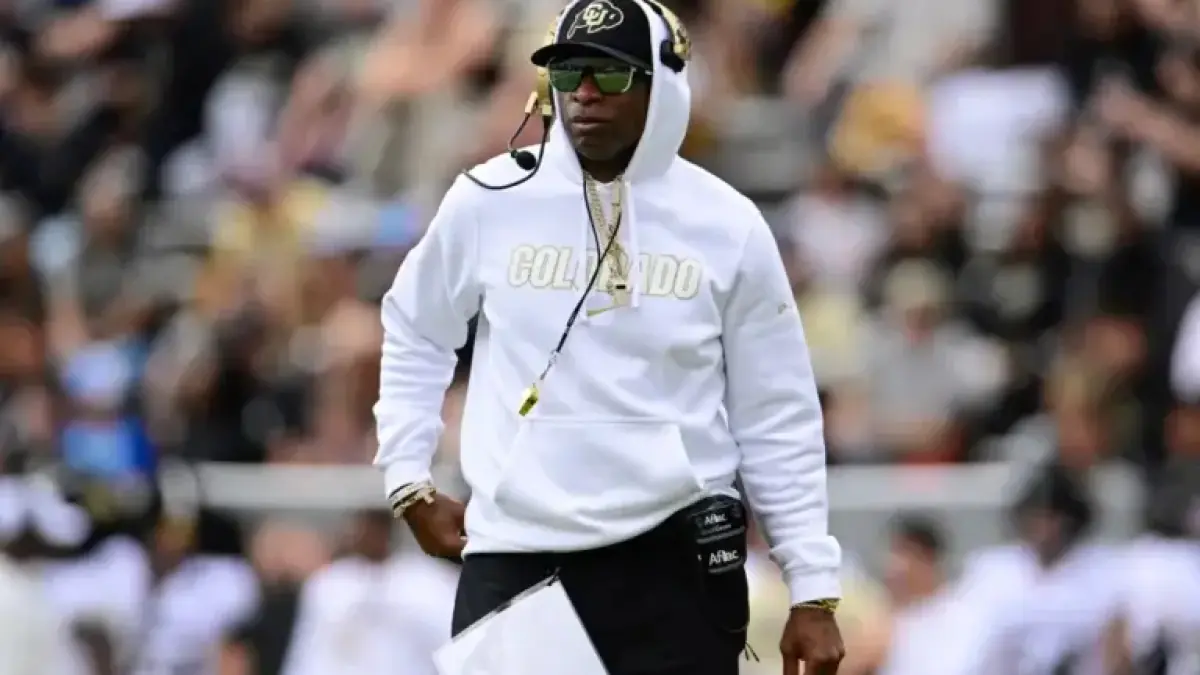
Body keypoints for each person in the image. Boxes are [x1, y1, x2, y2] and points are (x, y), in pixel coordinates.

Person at [373, 1, 844, 674]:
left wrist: (812, 586)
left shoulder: (728, 224)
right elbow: (415, 328)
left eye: (612, 75)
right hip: (517, 551)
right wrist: (407, 478)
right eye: (568, 75)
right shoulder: (488, 199)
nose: (585, 94)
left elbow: (777, 412)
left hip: (676, 561)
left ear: (664, 85)